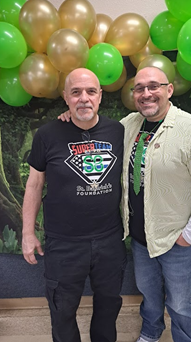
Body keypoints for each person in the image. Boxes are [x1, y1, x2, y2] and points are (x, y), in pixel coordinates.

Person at [58, 66, 191, 342]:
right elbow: (92, 126)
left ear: (169, 90)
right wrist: (69, 115)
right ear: (134, 94)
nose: (146, 93)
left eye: (154, 86)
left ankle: (184, 338)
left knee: (181, 302)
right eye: (139, 88)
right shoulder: (128, 126)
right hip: (139, 237)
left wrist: (189, 236)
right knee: (147, 292)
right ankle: (151, 331)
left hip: (177, 238)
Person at [22, 68, 127, 342]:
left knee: (108, 307)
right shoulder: (47, 135)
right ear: (66, 97)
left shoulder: (118, 131)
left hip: (109, 240)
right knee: (62, 311)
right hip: (64, 243)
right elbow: (33, 185)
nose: (84, 99)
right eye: (76, 92)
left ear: (100, 96)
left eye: (91, 91)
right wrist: (27, 232)